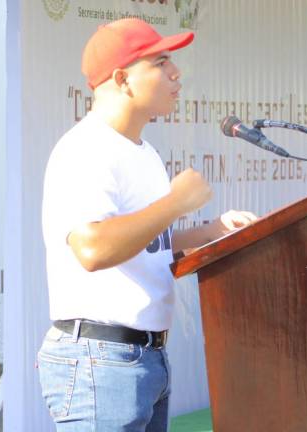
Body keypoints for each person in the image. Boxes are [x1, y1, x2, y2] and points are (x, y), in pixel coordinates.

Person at [39, 18, 257, 430]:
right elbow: (93, 249)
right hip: (100, 362)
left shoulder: (144, 153)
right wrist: (175, 203)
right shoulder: (86, 149)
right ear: (122, 79)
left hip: (143, 359)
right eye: (159, 62)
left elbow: (146, 243)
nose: (176, 73)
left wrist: (211, 232)